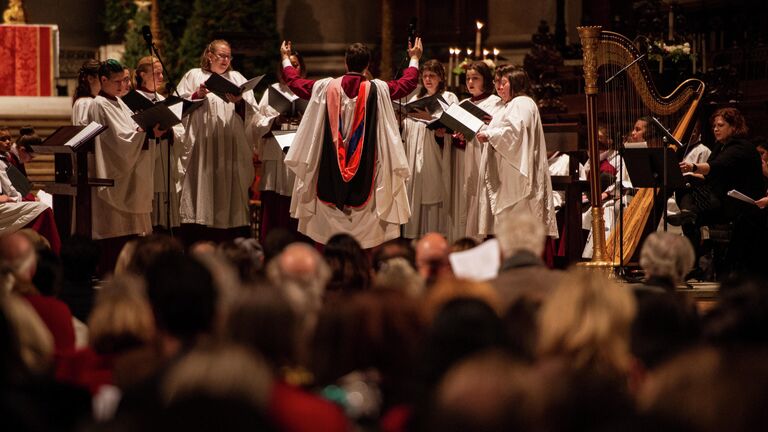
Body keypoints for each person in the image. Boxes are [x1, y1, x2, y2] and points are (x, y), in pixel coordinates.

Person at [280, 39, 422, 248]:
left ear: (346, 63)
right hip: (367, 164)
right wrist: (415, 58)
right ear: (367, 66)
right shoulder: (378, 89)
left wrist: (285, 58)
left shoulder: (326, 87)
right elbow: (406, 84)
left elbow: (296, 84)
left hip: (330, 163)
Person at [177, 39, 272, 236]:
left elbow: (252, 113)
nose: (226, 60)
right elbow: (177, 108)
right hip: (203, 147)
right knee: (203, 185)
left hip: (229, 146)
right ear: (209, 56)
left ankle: (229, 230)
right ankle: (199, 228)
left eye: (229, 56)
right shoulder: (194, 75)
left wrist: (239, 103)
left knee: (229, 189)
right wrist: (197, 94)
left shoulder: (236, 77)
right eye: (222, 55)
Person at [88, 59, 164, 269]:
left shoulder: (120, 101)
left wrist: (148, 129)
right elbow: (117, 140)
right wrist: (147, 132)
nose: (123, 86)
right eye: (117, 82)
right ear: (103, 80)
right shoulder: (99, 104)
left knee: (134, 230)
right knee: (115, 229)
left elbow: (132, 130)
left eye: (124, 80)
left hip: (132, 172)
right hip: (115, 173)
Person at [674, 107, 765, 276]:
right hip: (723, 201)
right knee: (683, 189)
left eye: (721, 125)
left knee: (694, 215)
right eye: (714, 125)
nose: (715, 129)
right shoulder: (720, 146)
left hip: (743, 205)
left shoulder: (741, 147)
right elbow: (708, 176)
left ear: (734, 127)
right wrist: (686, 176)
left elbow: (716, 167)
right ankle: (688, 217)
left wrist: (693, 166)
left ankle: (688, 215)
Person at [473, 65, 557, 239]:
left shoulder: (522, 102)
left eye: (504, 83)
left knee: (517, 229)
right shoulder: (508, 105)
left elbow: (517, 131)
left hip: (516, 177)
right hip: (507, 176)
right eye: (497, 82)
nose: (499, 87)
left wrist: (489, 134)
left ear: (517, 83)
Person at [400, 59, 459, 239]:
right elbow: (407, 127)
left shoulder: (449, 98)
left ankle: (437, 238)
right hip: (416, 155)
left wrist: (436, 127)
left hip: (437, 154)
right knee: (417, 194)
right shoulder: (415, 99)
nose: (427, 79)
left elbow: (454, 124)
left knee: (436, 194)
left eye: (432, 76)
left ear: (440, 77)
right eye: (424, 76)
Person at [256, 49, 306, 244]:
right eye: (289, 64)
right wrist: (275, 121)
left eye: (296, 64)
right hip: (276, 152)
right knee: (275, 206)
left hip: (299, 153)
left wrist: (303, 118)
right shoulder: (272, 91)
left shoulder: (306, 90)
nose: (292, 68)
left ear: (301, 68)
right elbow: (257, 123)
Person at [133, 55, 183, 231]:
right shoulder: (131, 99)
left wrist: (170, 130)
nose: (162, 77)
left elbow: (181, 131)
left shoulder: (163, 100)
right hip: (146, 160)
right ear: (142, 75)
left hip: (164, 158)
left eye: (162, 73)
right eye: (156, 73)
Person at [458, 62, 502, 240]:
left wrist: (490, 122)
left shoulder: (495, 103)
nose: (470, 82)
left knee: (485, 194)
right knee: (471, 197)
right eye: (468, 78)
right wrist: (458, 135)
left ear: (486, 80)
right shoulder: (463, 104)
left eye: (475, 78)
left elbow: (500, 128)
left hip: (487, 154)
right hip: (469, 156)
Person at [72, 59, 101, 126]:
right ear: (90, 78)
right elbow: (84, 132)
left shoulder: (89, 101)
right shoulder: (85, 102)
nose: (104, 83)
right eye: (101, 79)